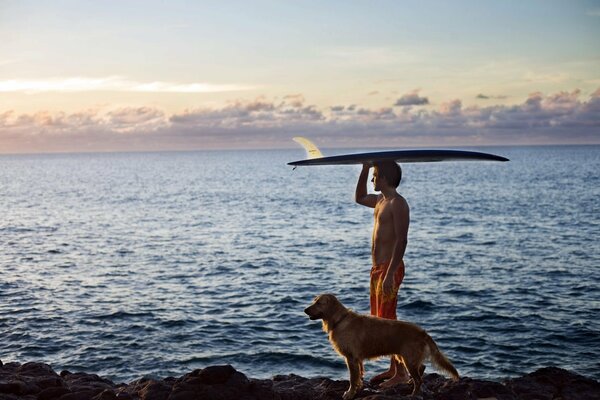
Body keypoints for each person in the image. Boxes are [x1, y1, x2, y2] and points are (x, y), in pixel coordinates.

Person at [355, 160, 410, 387]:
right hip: (377, 270)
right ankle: (394, 368)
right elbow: (359, 198)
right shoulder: (380, 201)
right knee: (381, 320)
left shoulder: (398, 203)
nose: (372, 180)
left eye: (375, 175)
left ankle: (403, 373)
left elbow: (402, 240)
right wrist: (365, 167)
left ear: (385, 178)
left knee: (388, 322)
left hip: (390, 269)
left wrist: (389, 274)